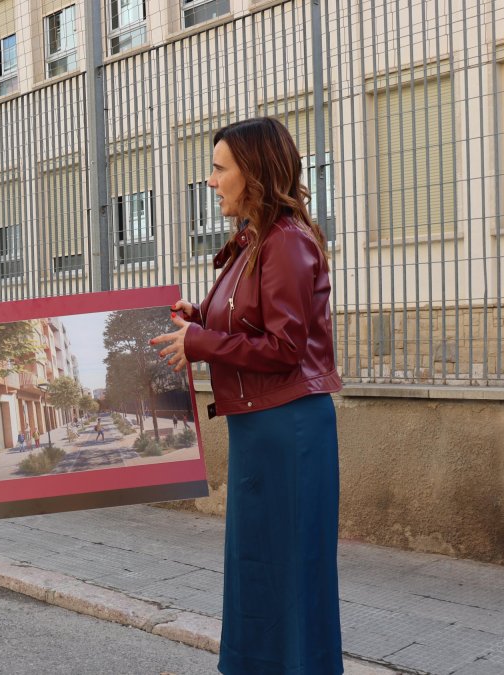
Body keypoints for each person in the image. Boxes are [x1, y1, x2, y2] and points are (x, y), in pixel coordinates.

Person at [151, 118, 344, 674]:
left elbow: (284, 346)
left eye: (219, 168)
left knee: (290, 572)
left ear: (253, 174)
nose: (210, 181)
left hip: (290, 431)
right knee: (258, 569)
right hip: (263, 427)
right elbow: (247, 322)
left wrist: (201, 341)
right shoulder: (256, 241)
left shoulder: (286, 242)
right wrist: (197, 318)